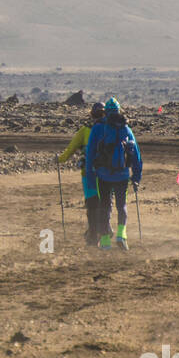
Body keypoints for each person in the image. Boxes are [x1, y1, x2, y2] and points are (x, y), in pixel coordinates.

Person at [85, 97, 142, 250]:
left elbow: (90, 153)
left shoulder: (97, 129)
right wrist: (136, 177)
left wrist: (90, 174)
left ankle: (104, 241)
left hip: (103, 175)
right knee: (121, 205)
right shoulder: (126, 129)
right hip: (122, 175)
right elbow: (136, 156)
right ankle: (121, 236)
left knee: (104, 206)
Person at [56, 102, 105, 245]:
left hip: (88, 174)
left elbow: (70, 150)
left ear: (91, 115)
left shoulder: (85, 131)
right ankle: (104, 232)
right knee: (104, 204)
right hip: (107, 175)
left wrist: (59, 160)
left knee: (91, 204)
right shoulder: (110, 130)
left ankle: (92, 235)